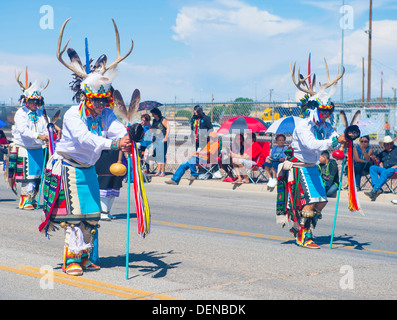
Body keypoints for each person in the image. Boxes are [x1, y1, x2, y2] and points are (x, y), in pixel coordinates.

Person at [38, 17, 134, 276]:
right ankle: (71, 259)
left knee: (92, 214)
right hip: (68, 167)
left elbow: (116, 128)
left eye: (105, 102)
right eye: (97, 102)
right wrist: (114, 143)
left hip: (88, 168)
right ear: (85, 97)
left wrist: (127, 137)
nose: (101, 107)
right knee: (75, 216)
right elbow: (85, 140)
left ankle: (86, 256)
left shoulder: (105, 114)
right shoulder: (72, 115)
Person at [277, 61, 347, 249]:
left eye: (328, 111)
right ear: (315, 109)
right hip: (299, 168)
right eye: (323, 111)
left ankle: (299, 227)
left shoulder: (324, 125)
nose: (326, 114)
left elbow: (333, 136)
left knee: (322, 201)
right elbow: (312, 144)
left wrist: (343, 138)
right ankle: (303, 236)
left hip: (312, 167)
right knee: (310, 202)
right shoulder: (303, 125)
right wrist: (334, 141)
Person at [7, 76, 49, 209]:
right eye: (32, 101)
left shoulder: (41, 113)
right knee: (28, 175)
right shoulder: (21, 113)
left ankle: (33, 198)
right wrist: (39, 135)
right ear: (26, 101)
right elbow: (23, 130)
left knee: (38, 175)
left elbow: (46, 127)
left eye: (37, 101)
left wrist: (49, 134)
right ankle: (25, 199)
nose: (35, 104)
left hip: (38, 148)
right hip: (24, 147)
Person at [364, 136, 397, 201]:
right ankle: (377, 189)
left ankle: (374, 190)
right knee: (373, 168)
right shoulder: (383, 153)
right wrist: (373, 157)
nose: (389, 145)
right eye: (387, 144)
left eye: (391, 143)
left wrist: (396, 166)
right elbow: (376, 159)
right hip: (386, 171)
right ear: (384, 145)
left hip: (395, 170)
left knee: (386, 171)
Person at [150, 107, 170, 177]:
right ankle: (158, 171)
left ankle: (163, 171)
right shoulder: (154, 120)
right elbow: (152, 129)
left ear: (156, 113)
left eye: (152, 113)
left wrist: (166, 137)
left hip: (162, 138)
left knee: (162, 155)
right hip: (156, 139)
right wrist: (148, 124)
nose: (152, 115)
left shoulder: (163, 119)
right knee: (158, 155)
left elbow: (168, 128)